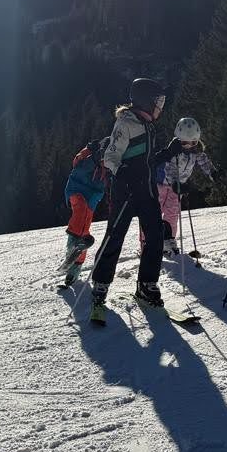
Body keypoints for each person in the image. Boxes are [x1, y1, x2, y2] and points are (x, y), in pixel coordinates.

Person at [87, 77, 172, 325]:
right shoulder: (125, 123)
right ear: (145, 102)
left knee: (155, 235)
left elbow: (147, 160)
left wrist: (171, 152)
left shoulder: (148, 125)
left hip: (146, 190)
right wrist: (122, 172)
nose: (161, 107)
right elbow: (111, 156)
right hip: (126, 191)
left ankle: (147, 284)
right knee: (115, 235)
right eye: (158, 102)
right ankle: (101, 284)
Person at [140, 117, 216, 263]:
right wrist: (175, 183)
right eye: (185, 142)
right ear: (179, 139)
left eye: (193, 142)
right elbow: (170, 169)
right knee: (154, 213)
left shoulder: (196, 151)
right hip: (161, 184)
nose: (189, 146)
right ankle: (146, 241)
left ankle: (169, 240)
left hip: (177, 187)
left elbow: (204, 162)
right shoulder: (174, 149)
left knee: (173, 213)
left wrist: (213, 173)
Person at [60, 134, 109, 286]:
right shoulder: (89, 156)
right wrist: (91, 154)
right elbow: (77, 163)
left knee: (83, 226)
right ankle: (77, 242)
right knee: (80, 213)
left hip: (92, 197)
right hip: (77, 189)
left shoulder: (108, 165)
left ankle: (73, 271)